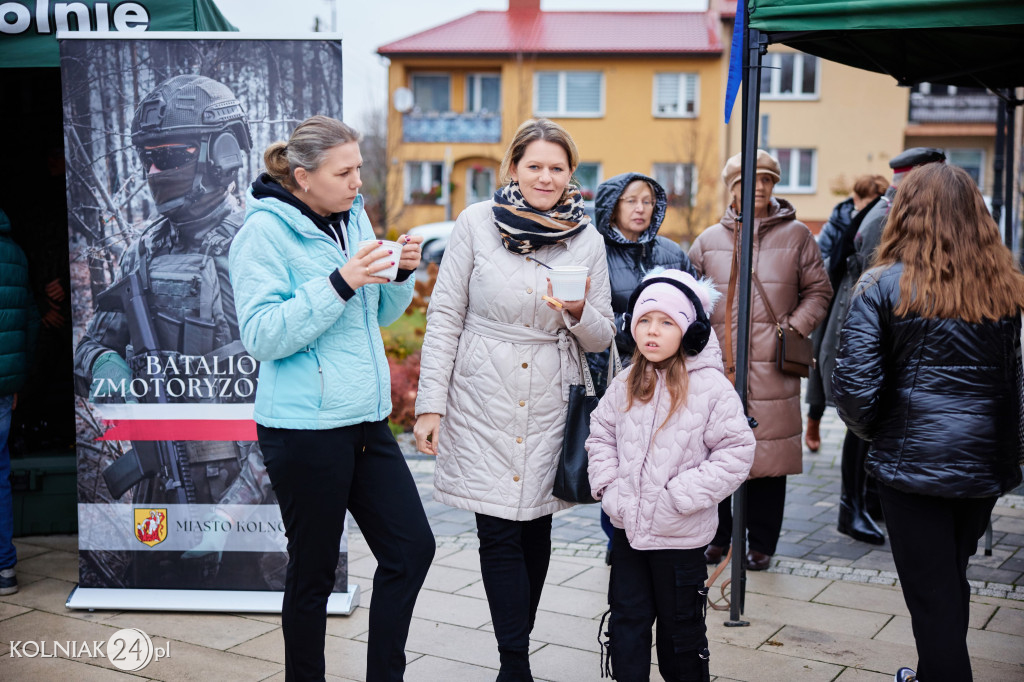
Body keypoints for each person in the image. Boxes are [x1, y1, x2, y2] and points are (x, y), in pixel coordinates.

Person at [229, 115, 435, 682]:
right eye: (344, 172)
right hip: (303, 430)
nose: (356, 182)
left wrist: (399, 276)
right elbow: (263, 334)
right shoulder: (262, 235)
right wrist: (339, 282)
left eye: (359, 169)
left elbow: (380, 313)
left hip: (366, 422)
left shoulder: (354, 219)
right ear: (303, 176)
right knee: (314, 574)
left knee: (412, 549)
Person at [413, 118, 615, 681]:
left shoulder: (587, 238)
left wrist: (576, 313)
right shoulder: (475, 223)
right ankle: (514, 662)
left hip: (551, 392)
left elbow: (602, 335)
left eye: (557, 168)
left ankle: (515, 647)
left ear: (572, 174)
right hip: (481, 393)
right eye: (535, 166)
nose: (545, 177)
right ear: (513, 169)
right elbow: (445, 314)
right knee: (498, 530)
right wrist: (431, 405)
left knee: (536, 529)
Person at [72, 74, 276, 587]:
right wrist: (101, 362)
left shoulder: (258, 245)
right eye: (149, 157)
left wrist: (236, 508)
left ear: (220, 153)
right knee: (152, 600)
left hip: (243, 486)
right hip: (158, 477)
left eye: (172, 155)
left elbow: (296, 397)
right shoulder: (145, 247)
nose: (156, 170)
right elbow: (94, 342)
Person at [832, 163, 1024, 682]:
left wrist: (883, 438)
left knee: (932, 593)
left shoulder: (880, 284)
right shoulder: (1005, 287)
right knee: (947, 582)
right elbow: (1015, 383)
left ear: (905, 213)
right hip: (982, 465)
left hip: (912, 468)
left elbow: (852, 392)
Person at [586, 269, 755, 681]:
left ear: (691, 331)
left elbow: (736, 451)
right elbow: (600, 434)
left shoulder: (711, 388)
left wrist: (680, 495)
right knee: (627, 624)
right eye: (644, 320)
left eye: (666, 322)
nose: (652, 332)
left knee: (681, 633)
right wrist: (610, 488)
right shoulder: (627, 380)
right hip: (628, 531)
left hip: (680, 538)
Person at [688, 149, 831, 570]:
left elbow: (819, 291)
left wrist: (791, 328)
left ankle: (762, 542)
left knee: (768, 459)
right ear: (732, 187)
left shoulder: (799, 236)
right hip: (717, 366)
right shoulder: (707, 241)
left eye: (768, 179)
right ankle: (717, 535)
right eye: (750, 180)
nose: (760, 187)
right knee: (712, 453)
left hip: (773, 364)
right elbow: (691, 302)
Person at [819, 148, 946, 546]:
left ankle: (867, 505)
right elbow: (872, 291)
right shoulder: (885, 217)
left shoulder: (887, 209)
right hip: (864, 336)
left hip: (876, 336)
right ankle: (850, 508)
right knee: (862, 428)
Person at [588, 172, 697, 564]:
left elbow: (693, 309)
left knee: (661, 455)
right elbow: (589, 312)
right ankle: (619, 536)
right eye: (630, 200)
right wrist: (629, 326)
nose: (639, 208)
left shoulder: (671, 253)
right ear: (612, 205)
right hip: (615, 370)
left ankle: (656, 530)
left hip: (669, 373)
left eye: (647, 201)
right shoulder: (594, 250)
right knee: (620, 457)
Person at [803, 174, 887, 452]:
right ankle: (814, 419)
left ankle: (848, 422)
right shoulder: (840, 218)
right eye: (862, 198)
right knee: (822, 360)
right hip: (834, 290)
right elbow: (822, 253)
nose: (863, 204)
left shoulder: (879, 219)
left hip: (857, 291)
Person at [0, 208, 39, 596]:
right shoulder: (13, 252)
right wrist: (15, 382)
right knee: (0, 474)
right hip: (2, 388)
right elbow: (28, 320)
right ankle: (4, 569)